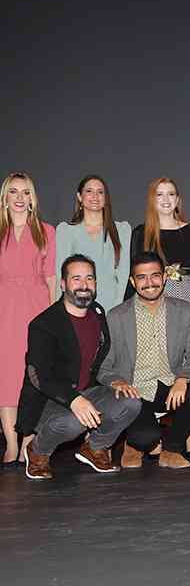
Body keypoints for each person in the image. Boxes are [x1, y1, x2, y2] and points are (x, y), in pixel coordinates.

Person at [18, 254, 141, 480]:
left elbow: (100, 361)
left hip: (87, 392)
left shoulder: (98, 313)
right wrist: (74, 400)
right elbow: (38, 376)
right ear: (63, 284)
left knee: (131, 401)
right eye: (76, 279)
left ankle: (95, 447)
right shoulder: (43, 324)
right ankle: (37, 452)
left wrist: (115, 381)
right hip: (49, 401)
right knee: (74, 421)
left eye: (89, 278)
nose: (84, 285)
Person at [98, 251, 190, 469]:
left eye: (155, 276)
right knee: (145, 437)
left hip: (170, 386)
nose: (149, 283)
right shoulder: (116, 316)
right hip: (135, 392)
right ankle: (133, 445)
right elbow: (103, 365)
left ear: (164, 277)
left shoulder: (182, 309)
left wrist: (183, 378)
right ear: (132, 282)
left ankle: (171, 450)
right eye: (142, 277)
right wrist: (116, 382)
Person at [127, 176, 190, 455]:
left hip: (187, 296)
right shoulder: (142, 232)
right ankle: (152, 433)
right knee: (158, 361)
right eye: (160, 194)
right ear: (152, 200)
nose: (165, 199)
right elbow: (134, 272)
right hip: (155, 297)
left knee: (187, 361)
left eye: (171, 194)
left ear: (178, 199)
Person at [0, 172, 56, 466]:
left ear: (32, 198)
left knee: (33, 377)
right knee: (6, 378)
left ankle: (27, 443)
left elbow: (52, 279)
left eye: (25, 192)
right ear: (5, 198)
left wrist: (54, 321)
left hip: (37, 311)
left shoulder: (47, 231)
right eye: (13, 192)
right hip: (4, 311)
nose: (19, 198)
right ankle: (11, 444)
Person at [56, 175, 131, 313]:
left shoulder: (121, 230)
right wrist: (60, 311)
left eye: (100, 192)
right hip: (78, 305)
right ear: (80, 196)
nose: (95, 196)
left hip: (113, 304)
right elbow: (60, 274)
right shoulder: (66, 231)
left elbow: (123, 273)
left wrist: (117, 308)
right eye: (89, 191)